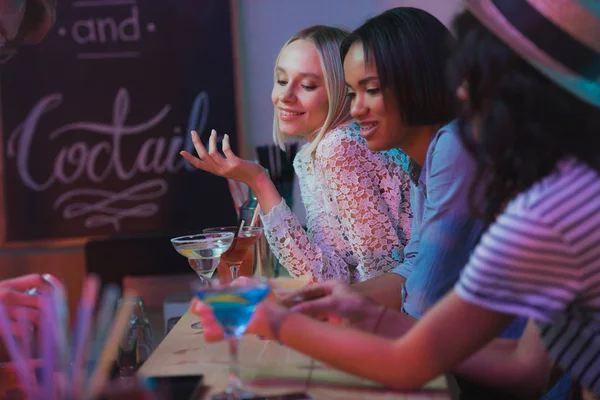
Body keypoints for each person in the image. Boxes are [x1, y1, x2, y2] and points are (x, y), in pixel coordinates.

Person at [195, 0, 600, 398]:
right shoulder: (566, 188)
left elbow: (414, 348)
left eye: (474, 78)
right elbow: (525, 366)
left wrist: (273, 319)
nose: (459, 90)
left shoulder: (543, 202)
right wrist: (364, 313)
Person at [181, 25, 412, 283]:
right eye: (281, 80)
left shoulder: (339, 146)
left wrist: (259, 181)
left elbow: (381, 272)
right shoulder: (311, 153)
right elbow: (329, 275)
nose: (285, 96)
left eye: (307, 85)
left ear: (339, 91)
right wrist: (258, 179)